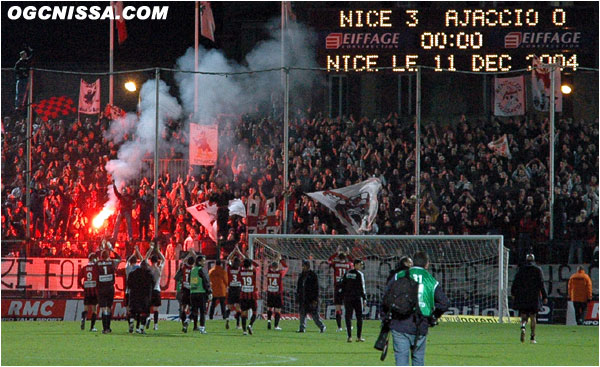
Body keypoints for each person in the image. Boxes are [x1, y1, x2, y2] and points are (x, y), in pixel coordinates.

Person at [387, 251, 449, 366]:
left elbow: (386, 297)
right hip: (420, 323)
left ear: (413, 263)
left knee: (401, 360)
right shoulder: (431, 280)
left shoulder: (399, 275)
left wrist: (387, 317)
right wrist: (434, 316)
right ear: (427, 264)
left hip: (399, 323)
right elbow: (445, 303)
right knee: (418, 360)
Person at [511, 253, 548, 344]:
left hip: (522, 295)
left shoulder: (521, 269)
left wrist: (513, 293)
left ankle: (523, 326)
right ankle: (532, 337)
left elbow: (515, 282)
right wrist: (545, 295)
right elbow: (541, 283)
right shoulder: (538, 269)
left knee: (523, 314)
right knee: (533, 316)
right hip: (534, 295)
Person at [95, 241, 122, 334]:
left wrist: (99, 249)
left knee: (103, 308)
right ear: (108, 255)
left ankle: (104, 328)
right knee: (109, 308)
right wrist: (112, 249)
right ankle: (108, 328)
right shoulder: (112, 262)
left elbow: (93, 258)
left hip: (101, 288)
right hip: (110, 288)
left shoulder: (98, 263)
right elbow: (119, 258)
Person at [340, 259, 367, 342]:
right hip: (357, 298)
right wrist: (365, 298)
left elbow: (342, 284)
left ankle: (349, 337)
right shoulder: (359, 274)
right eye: (360, 264)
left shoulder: (347, 273)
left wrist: (343, 296)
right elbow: (362, 287)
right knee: (359, 317)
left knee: (348, 316)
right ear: (356, 264)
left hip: (347, 298)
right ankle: (358, 337)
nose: (361, 266)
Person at [328, 246, 353, 331]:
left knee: (338, 307)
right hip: (347, 287)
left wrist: (336, 253)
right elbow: (353, 262)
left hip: (338, 286)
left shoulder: (335, 264)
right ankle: (349, 325)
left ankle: (339, 327)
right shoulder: (348, 265)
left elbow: (329, 260)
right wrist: (348, 255)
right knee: (347, 307)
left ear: (338, 257)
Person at [296, 260, 326, 333]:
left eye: (304, 266)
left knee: (314, 315)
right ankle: (302, 328)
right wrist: (298, 296)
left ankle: (322, 326)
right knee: (302, 313)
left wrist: (315, 299)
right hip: (303, 298)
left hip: (311, 298)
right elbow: (299, 287)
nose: (302, 267)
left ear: (307, 266)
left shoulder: (313, 275)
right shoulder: (301, 275)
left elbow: (316, 288)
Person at [127, 260, 154, 334]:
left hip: (134, 295)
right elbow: (152, 285)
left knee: (133, 311)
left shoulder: (133, 274)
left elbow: (129, 284)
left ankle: (132, 322)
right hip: (144, 296)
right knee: (144, 312)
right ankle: (141, 328)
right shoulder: (149, 275)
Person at [174, 250, 196, 333]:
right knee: (193, 308)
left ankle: (184, 324)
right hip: (191, 290)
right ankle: (188, 320)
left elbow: (183, 262)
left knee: (183, 308)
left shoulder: (184, 268)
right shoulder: (194, 270)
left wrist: (189, 254)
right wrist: (194, 254)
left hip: (184, 290)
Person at [145, 242, 166, 331]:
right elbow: (164, 259)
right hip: (156, 289)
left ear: (151, 261)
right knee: (156, 309)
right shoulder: (159, 268)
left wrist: (151, 249)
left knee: (148, 307)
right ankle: (155, 325)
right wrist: (158, 251)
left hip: (149, 290)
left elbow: (145, 259)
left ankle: (148, 318)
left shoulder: (149, 268)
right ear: (157, 261)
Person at [190, 255, 212, 333]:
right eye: (203, 261)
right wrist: (209, 291)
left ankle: (188, 320)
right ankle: (202, 328)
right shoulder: (201, 270)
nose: (204, 262)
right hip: (201, 292)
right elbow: (206, 281)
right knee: (202, 311)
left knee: (194, 310)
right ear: (199, 262)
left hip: (192, 292)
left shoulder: (192, 270)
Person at [125, 245, 146, 333]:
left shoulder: (128, 268)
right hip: (138, 292)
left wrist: (134, 252)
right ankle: (137, 327)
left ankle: (130, 323)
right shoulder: (139, 268)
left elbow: (128, 262)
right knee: (138, 310)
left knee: (129, 309)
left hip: (128, 291)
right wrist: (137, 251)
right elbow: (143, 260)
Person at [265, 254, 288, 330]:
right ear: (278, 267)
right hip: (277, 294)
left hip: (270, 293)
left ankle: (268, 321)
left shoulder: (268, 273)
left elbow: (269, 266)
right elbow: (286, 267)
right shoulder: (280, 273)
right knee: (277, 310)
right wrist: (280, 259)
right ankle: (276, 326)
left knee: (269, 308)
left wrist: (276, 259)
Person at [78, 252, 99, 332]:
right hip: (94, 291)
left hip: (87, 290)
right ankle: (92, 327)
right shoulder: (96, 268)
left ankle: (83, 318)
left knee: (86, 308)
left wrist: (83, 286)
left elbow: (79, 278)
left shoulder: (84, 268)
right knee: (94, 309)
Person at [225, 247, 244, 329]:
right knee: (238, 307)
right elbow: (245, 259)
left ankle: (227, 319)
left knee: (229, 306)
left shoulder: (229, 268)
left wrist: (233, 251)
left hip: (231, 288)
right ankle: (237, 325)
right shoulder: (240, 269)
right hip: (238, 289)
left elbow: (227, 259)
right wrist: (239, 252)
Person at [239, 258, 259, 335]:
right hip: (252, 296)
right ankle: (250, 325)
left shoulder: (241, 272)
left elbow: (240, 265)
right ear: (250, 265)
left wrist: (243, 261)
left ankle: (244, 331)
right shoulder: (253, 271)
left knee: (243, 313)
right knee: (254, 312)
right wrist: (251, 261)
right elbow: (257, 266)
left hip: (243, 296)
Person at [112, 181, 134, 245]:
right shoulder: (121, 196)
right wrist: (114, 185)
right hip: (122, 211)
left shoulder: (129, 197)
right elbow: (116, 192)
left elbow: (131, 205)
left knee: (128, 224)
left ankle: (130, 237)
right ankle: (114, 237)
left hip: (126, 212)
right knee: (117, 224)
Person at [14, 44, 33, 111]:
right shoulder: (18, 63)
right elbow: (16, 70)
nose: (26, 55)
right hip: (20, 79)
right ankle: (17, 105)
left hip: (26, 79)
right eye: (24, 55)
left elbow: (32, 55)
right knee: (18, 93)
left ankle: (22, 105)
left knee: (24, 92)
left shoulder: (27, 61)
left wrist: (29, 49)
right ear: (22, 56)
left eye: (26, 54)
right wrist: (22, 73)